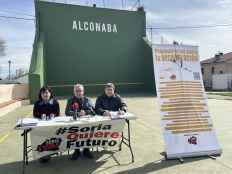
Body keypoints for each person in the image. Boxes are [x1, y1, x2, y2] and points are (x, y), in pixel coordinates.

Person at [65, 83, 95, 160]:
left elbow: (93, 111)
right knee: (75, 134)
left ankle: (86, 150)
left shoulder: (88, 99)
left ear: (83, 91)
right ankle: (76, 151)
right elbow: (67, 112)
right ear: (74, 92)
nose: (79, 92)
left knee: (88, 133)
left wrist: (85, 112)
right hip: (75, 124)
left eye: (80, 91)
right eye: (77, 91)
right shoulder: (70, 100)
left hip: (87, 124)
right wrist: (77, 113)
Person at [33, 86, 60, 163]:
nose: (45, 94)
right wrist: (40, 115)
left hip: (52, 126)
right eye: (43, 93)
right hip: (41, 126)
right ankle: (42, 154)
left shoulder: (55, 102)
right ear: (40, 94)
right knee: (40, 136)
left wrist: (53, 115)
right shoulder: (37, 103)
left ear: (50, 93)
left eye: (47, 92)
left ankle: (51, 151)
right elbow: (35, 113)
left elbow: (57, 113)